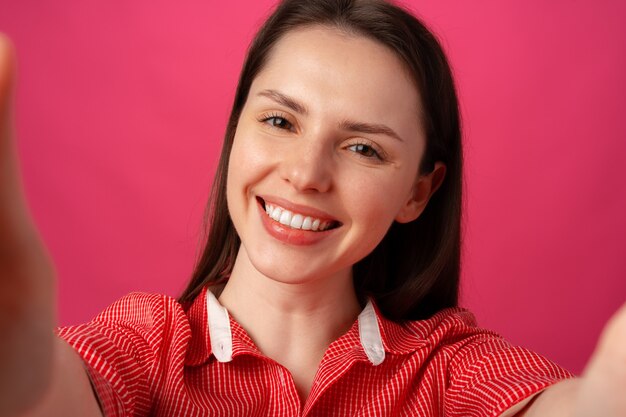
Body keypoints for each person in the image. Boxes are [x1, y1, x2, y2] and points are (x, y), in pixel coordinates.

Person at [0, 0, 624, 416]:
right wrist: (17, 341)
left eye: (362, 147)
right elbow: (40, 396)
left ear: (418, 192)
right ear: (236, 132)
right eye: (279, 120)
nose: (305, 174)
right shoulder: (143, 349)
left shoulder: (449, 370)